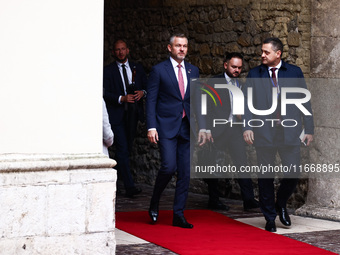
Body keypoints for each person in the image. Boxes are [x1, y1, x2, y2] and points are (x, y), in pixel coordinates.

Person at [243, 37, 314, 232]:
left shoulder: (294, 72)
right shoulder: (254, 74)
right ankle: (269, 218)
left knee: (293, 171)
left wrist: (309, 128)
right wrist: (247, 127)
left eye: (266, 52)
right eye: (262, 52)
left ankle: (280, 203)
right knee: (265, 177)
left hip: (289, 132)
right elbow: (247, 104)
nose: (262, 55)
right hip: (264, 132)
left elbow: (304, 102)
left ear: (278, 54)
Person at [147, 33, 206, 228]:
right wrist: (151, 126)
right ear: (169, 48)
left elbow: (197, 101)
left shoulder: (193, 70)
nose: (182, 49)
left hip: (186, 126)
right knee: (168, 167)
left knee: (185, 173)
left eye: (185, 46)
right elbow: (151, 100)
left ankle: (178, 215)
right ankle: (155, 200)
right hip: (165, 126)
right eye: (178, 46)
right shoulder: (158, 70)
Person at [205, 52, 259, 211]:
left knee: (242, 164)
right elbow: (206, 108)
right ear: (226, 65)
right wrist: (207, 129)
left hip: (235, 130)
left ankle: (248, 200)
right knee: (214, 166)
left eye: (239, 68)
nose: (237, 70)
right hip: (218, 129)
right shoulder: (213, 82)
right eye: (234, 66)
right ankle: (213, 200)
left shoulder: (240, 84)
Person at [103, 39, 147, 197]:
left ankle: (115, 180)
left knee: (127, 149)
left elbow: (147, 86)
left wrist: (143, 93)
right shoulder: (107, 71)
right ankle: (129, 186)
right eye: (117, 50)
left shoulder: (138, 68)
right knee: (122, 149)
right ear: (113, 52)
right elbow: (104, 92)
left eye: (123, 49)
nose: (120, 52)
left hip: (133, 115)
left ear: (128, 50)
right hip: (117, 115)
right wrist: (121, 98)